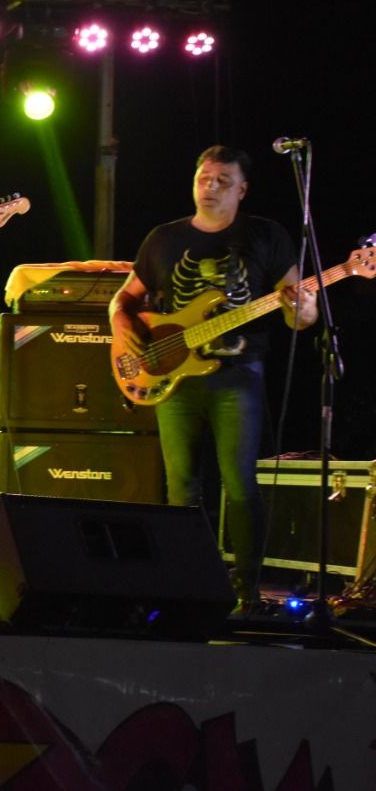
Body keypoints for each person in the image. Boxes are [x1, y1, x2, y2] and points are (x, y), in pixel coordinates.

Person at [109, 145, 318, 610]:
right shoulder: (164, 238)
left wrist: (303, 308)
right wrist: (123, 327)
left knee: (239, 484)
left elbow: (300, 317)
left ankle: (248, 591)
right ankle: (187, 585)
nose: (211, 187)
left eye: (224, 181)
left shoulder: (266, 236)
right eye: (204, 178)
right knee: (181, 486)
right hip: (173, 376)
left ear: (242, 190)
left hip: (239, 375)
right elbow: (122, 300)